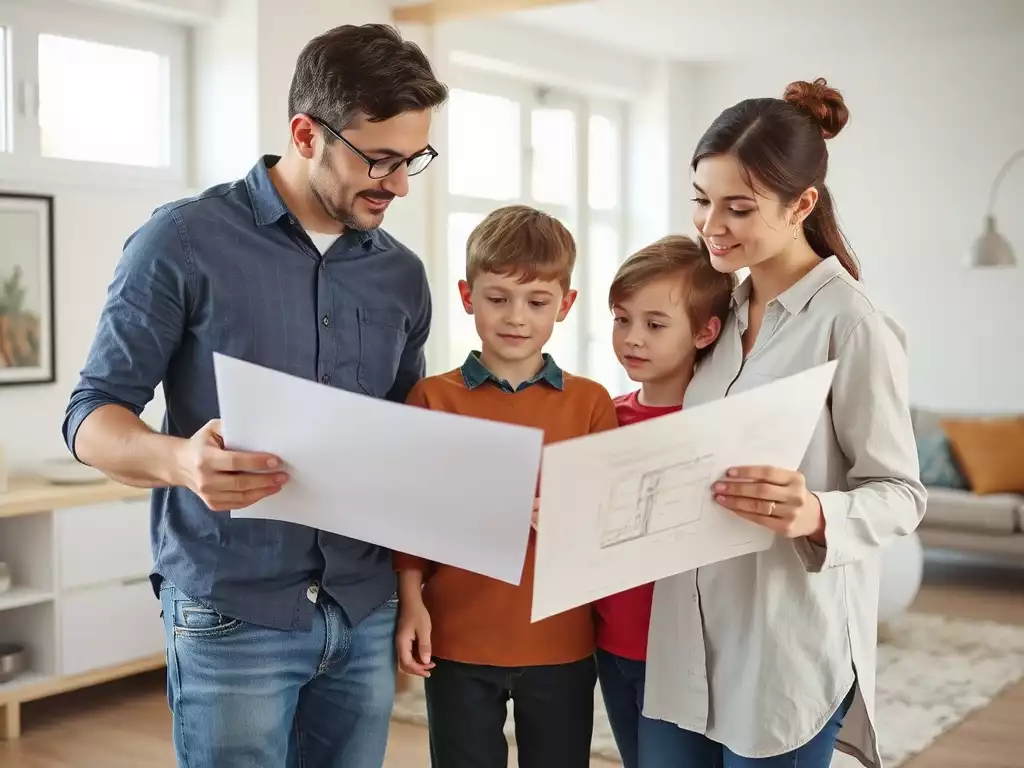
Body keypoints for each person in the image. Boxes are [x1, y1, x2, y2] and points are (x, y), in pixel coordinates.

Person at [61, 24, 447, 768]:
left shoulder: (402, 276)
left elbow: (403, 436)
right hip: (232, 611)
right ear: (306, 134)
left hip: (363, 608)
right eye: (380, 159)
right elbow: (90, 416)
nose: (399, 185)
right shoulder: (182, 241)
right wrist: (181, 461)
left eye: (413, 161)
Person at [641, 78, 926, 768]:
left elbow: (901, 494)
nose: (710, 225)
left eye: (738, 208)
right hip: (687, 640)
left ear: (802, 205)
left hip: (782, 657)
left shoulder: (852, 323)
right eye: (701, 200)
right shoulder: (718, 313)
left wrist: (815, 512)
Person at [393, 204, 618, 768]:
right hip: (456, 638)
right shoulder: (431, 398)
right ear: (468, 296)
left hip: (562, 640)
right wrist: (410, 602)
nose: (516, 317)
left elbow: (609, 518)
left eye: (537, 302)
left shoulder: (591, 403)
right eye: (498, 298)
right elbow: (411, 517)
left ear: (565, 304)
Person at [593, 235, 731, 768]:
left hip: (680, 654)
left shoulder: (715, 425)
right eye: (621, 319)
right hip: (610, 644)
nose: (632, 338)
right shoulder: (603, 417)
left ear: (704, 332)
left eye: (654, 324)